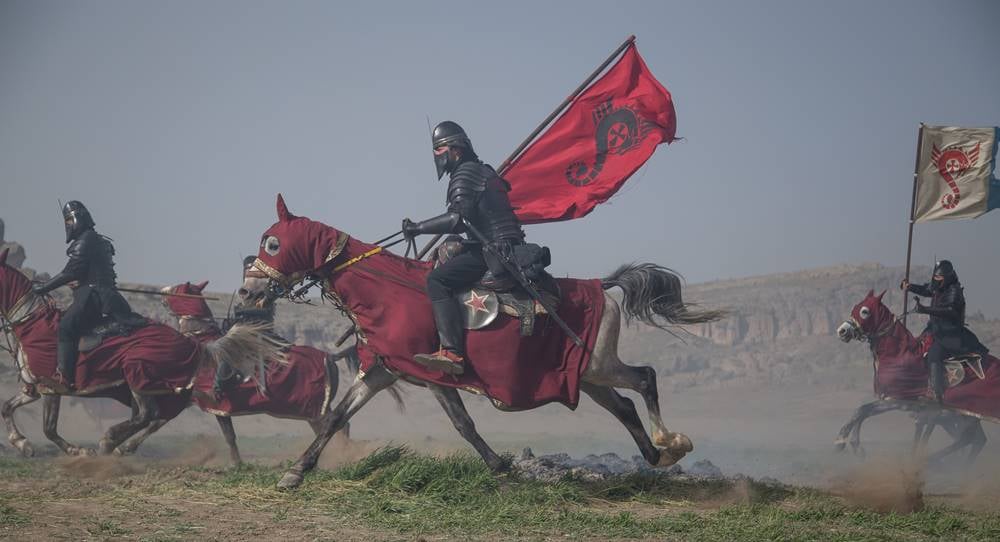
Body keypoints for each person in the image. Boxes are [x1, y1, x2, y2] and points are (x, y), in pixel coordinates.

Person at [401, 121, 525, 375]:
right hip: (500, 247)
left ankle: (452, 352)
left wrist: (418, 228)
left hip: (493, 252)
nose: (438, 156)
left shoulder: (466, 173)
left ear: (455, 149)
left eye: (439, 150)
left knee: (437, 280)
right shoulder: (482, 171)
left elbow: (458, 219)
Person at [31, 201, 138, 390]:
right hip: (100, 294)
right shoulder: (96, 239)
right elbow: (84, 273)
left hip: (94, 297)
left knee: (65, 327)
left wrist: (43, 289)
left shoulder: (86, 240)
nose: (68, 226)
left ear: (75, 220)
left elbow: (69, 273)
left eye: (68, 221)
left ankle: (65, 378)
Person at [901, 260, 988, 403]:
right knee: (917, 348)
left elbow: (949, 311)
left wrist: (925, 310)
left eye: (939, 278)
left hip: (950, 335)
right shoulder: (938, 287)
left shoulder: (954, 290)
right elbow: (926, 289)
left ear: (946, 277)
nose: (936, 280)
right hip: (936, 330)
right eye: (935, 277)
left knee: (934, 355)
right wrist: (909, 287)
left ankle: (937, 394)